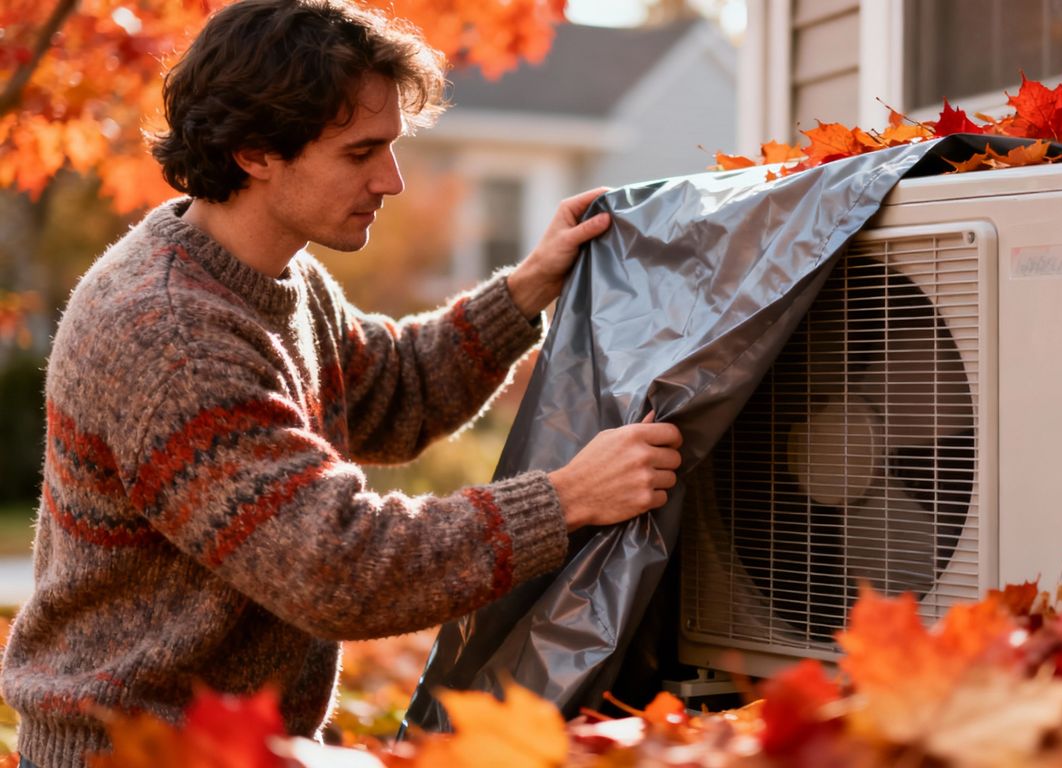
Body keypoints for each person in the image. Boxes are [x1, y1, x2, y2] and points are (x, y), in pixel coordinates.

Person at [0, 1, 684, 765]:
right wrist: (568, 500)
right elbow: (335, 567)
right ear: (257, 151)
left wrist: (527, 287)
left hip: (235, 747)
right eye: (361, 152)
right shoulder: (170, 336)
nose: (390, 180)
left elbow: (393, 391)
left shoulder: (276, 275)